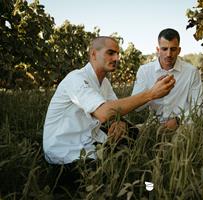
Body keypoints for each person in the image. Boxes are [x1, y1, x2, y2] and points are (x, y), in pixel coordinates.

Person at [42, 36, 175, 190]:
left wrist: (119, 122)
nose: (116, 58)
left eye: (118, 54)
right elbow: (104, 112)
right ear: (93, 54)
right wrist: (150, 94)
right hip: (66, 155)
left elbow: (116, 113)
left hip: (88, 142)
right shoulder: (75, 79)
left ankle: (148, 183)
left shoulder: (104, 82)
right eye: (110, 53)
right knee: (109, 182)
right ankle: (147, 186)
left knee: (129, 132)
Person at [132, 28, 203, 130]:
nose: (169, 54)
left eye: (173, 49)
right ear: (158, 50)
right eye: (164, 49)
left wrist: (179, 120)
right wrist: (152, 93)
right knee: (129, 133)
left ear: (179, 50)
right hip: (154, 124)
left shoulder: (191, 72)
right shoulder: (145, 71)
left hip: (183, 125)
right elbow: (136, 108)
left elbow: (200, 107)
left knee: (176, 144)